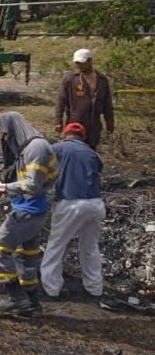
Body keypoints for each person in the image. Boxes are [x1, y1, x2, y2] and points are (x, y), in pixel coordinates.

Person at [0, 112, 59, 317]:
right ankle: (32, 304)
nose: (4, 139)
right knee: (25, 258)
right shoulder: (27, 148)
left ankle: (16, 298)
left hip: (29, 212)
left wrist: (0, 186)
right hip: (30, 209)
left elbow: (32, 185)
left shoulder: (35, 148)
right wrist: (0, 189)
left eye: (5, 133)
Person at [40, 122, 106, 299]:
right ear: (82, 136)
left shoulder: (58, 148)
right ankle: (95, 288)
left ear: (65, 134)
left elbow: (41, 169)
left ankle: (51, 288)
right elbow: (98, 179)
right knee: (90, 246)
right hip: (95, 203)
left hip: (70, 202)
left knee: (56, 245)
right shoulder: (92, 154)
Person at [55, 48, 114, 149]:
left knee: (91, 151)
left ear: (90, 61)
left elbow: (107, 104)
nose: (79, 65)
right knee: (74, 150)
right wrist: (58, 121)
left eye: (81, 63)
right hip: (75, 124)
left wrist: (110, 123)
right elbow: (61, 100)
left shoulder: (102, 80)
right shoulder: (70, 78)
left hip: (94, 126)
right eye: (77, 63)